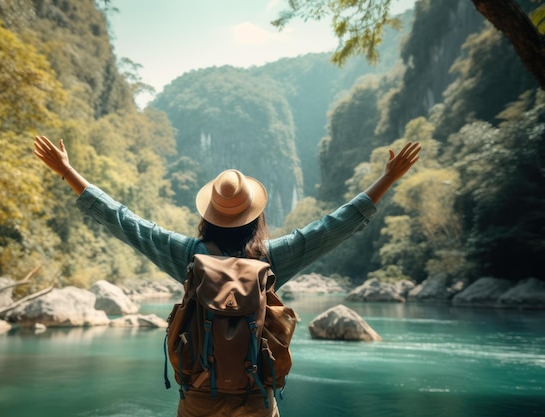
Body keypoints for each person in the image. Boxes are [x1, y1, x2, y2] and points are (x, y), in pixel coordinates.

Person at [33, 135, 421, 417]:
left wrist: (66, 170)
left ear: (209, 214)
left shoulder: (188, 256)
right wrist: (388, 177)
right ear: (256, 214)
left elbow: (124, 221)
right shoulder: (271, 258)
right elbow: (333, 226)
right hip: (255, 397)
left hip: (199, 395)